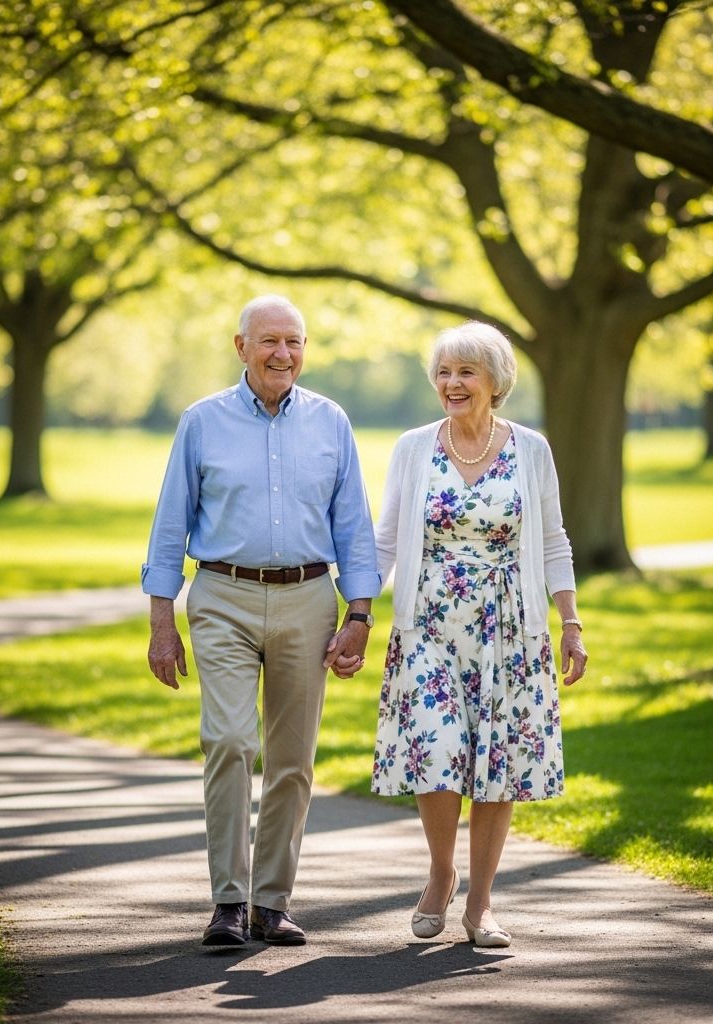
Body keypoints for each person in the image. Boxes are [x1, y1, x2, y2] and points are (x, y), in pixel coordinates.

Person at [143, 294, 380, 948]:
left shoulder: (332, 423)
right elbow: (170, 525)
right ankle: (227, 900)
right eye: (270, 341)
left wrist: (359, 614)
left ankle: (270, 903)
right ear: (241, 345)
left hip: (309, 598)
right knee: (228, 740)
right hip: (222, 595)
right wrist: (162, 621)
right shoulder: (202, 421)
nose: (284, 354)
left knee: (292, 759)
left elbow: (354, 527)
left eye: (295, 342)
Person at [371, 321, 587, 948]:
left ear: (496, 381)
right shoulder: (414, 448)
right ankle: (442, 873)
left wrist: (569, 621)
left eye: (466, 371)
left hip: (510, 629)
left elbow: (552, 540)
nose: (452, 383)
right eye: (443, 371)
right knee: (433, 755)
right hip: (429, 624)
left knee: (498, 765)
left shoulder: (531, 449)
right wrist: (356, 612)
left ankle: (482, 905)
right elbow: (386, 539)